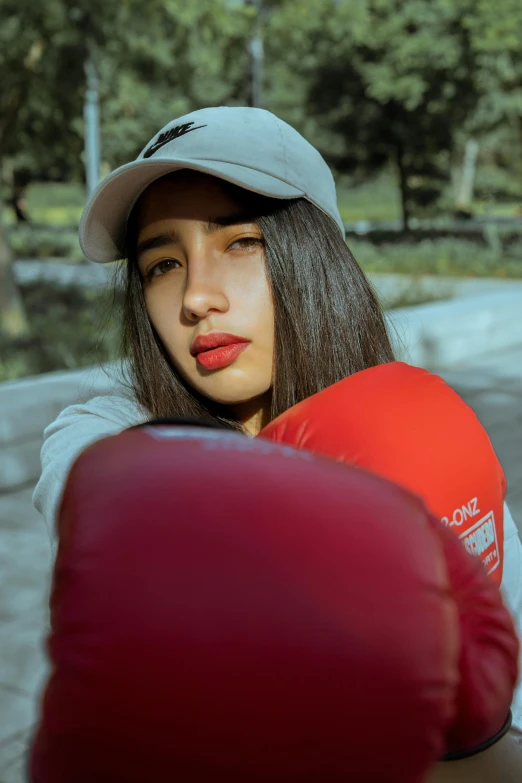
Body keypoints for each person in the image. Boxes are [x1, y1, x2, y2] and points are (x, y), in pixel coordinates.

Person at [33, 106, 522, 779]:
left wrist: (472, 733)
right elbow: (88, 486)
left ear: (312, 256)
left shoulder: (418, 427)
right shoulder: (108, 435)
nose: (197, 297)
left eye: (239, 242)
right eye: (162, 264)